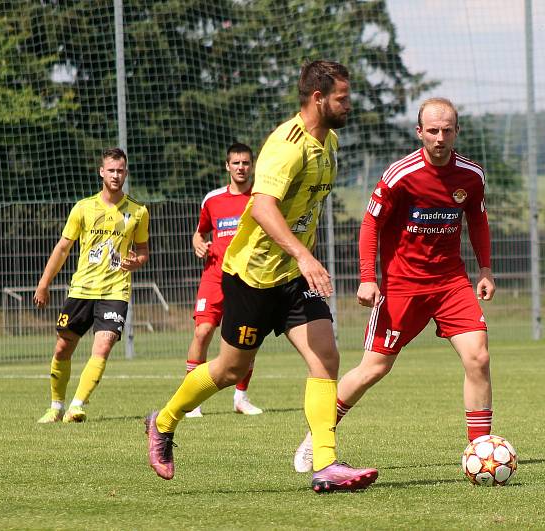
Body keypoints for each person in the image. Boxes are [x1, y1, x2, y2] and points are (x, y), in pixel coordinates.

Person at [145, 60, 379, 493]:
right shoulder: (286, 146)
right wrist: (305, 255)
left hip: (292, 278)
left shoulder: (330, 143)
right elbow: (263, 206)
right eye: (342, 98)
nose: (349, 104)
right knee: (231, 370)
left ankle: (325, 463)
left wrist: (300, 262)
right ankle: (162, 422)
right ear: (317, 98)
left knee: (326, 357)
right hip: (251, 277)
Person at [292, 97, 496, 472]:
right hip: (402, 288)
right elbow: (371, 224)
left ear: (456, 132)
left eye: (446, 130)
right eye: (432, 130)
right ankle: (319, 435)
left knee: (478, 357)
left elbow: (478, 221)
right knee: (373, 369)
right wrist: (368, 278)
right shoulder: (400, 174)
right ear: (420, 132)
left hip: (451, 283)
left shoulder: (471, 175)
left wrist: (485, 270)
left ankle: (481, 451)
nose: (439, 137)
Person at [34, 147, 149, 423]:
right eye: (111, 170)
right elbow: (63, 248)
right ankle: (56, 406)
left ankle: (77, 405)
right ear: (101, 172)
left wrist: (137, 261)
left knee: (104, 346)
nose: (116, 175)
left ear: (126, 173)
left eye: (120, 170)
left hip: (115, 292)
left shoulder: (138, 212)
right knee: (63, 348)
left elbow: (143, 251)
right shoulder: (83, 208)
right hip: (82, 289)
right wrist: (43, 284)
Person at [185, 142, 262, 418]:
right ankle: (192, 398)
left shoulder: (261, 198)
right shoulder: (213, 199)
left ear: (251, 166)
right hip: (215, 276)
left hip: (248, 278)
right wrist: (198, 244)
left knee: (245, 338)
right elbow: (200, 232)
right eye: (236, 163)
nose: (241, 168)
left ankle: (240, 397)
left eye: (245, 163)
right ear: (227, 166)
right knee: (202, 332)